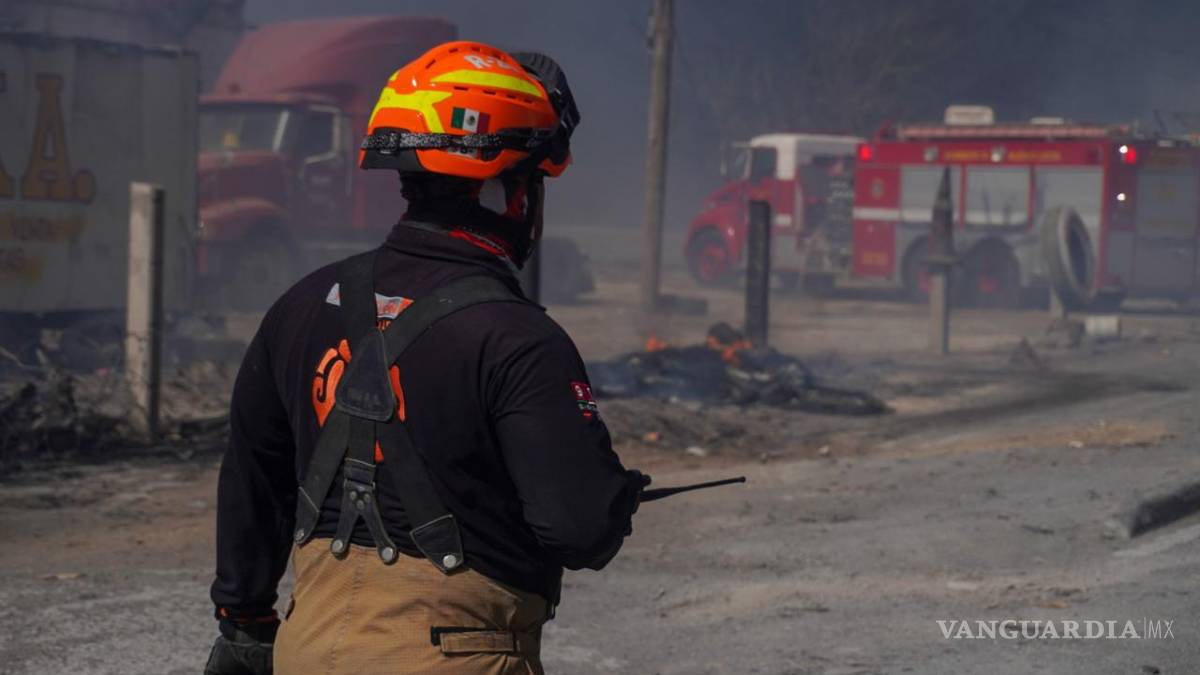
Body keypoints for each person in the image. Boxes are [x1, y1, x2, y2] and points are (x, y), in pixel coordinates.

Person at [204, 40, 648, 675]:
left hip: (306, 653)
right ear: (510, 194)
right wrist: (613, 498)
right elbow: (579, 528)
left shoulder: (300, 306)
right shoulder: (518, 339)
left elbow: (254, 475)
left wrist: (246, 621)